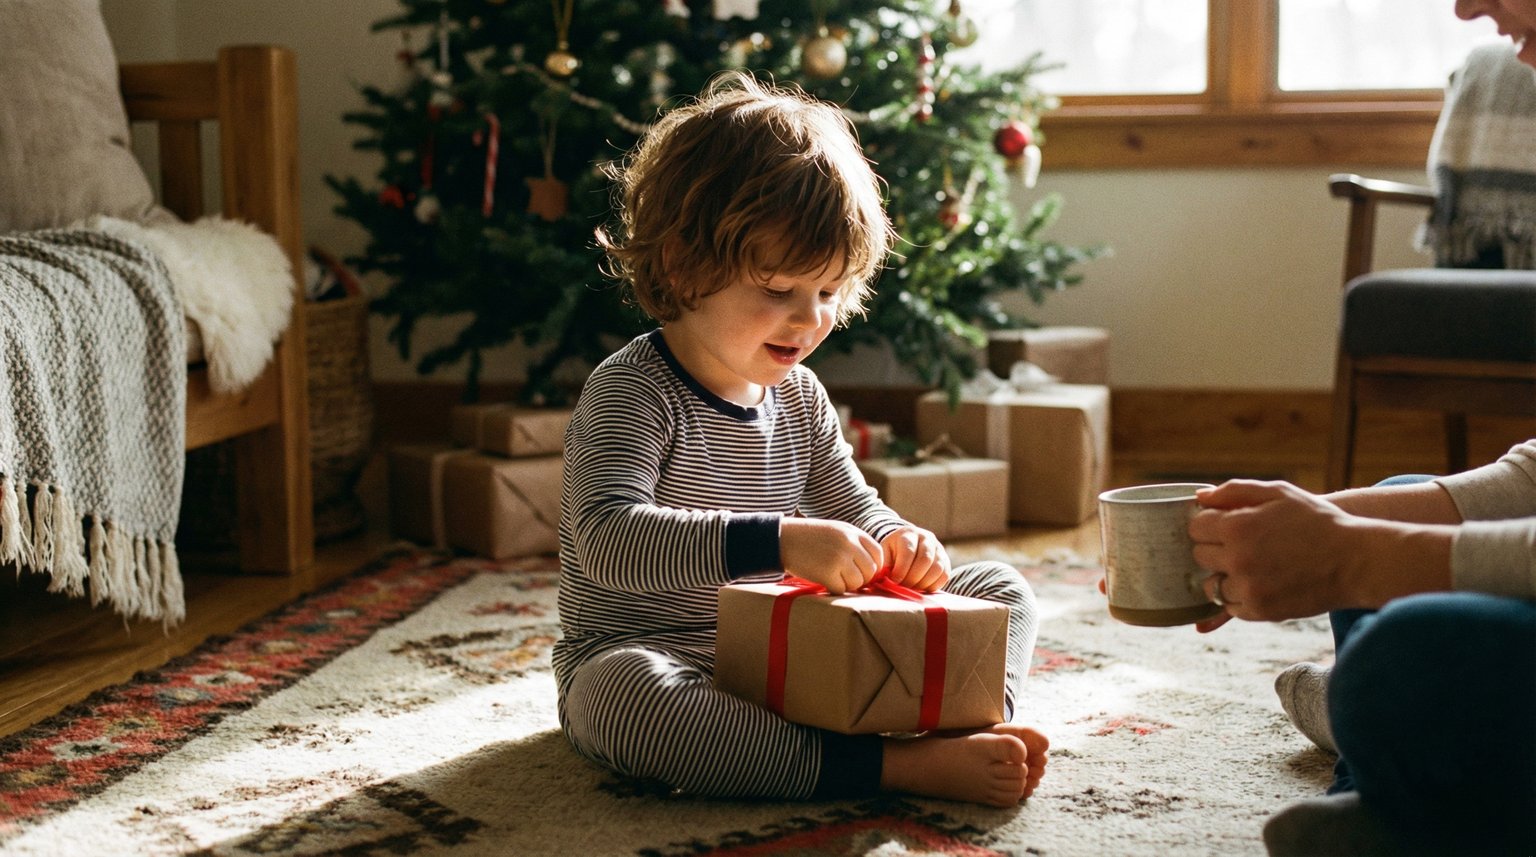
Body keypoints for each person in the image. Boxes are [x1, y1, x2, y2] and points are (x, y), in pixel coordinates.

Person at [552, 71, 1049, 808]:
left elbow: (856, 506)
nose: (809, 320)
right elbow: (609, 540)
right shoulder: (631, 388)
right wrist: (780, 541)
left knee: (1002, 591)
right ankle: (893, 768)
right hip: (663, 657)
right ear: (685, 270)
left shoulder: (802, 395)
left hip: (800, 654)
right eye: (779, 291)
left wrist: (901, 539)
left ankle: (958, 722)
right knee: (621, 697)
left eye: (828, 292)